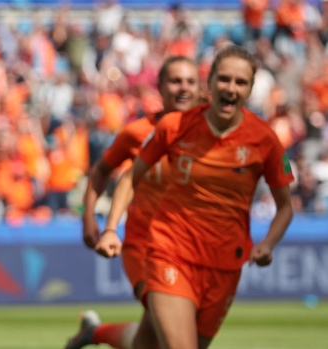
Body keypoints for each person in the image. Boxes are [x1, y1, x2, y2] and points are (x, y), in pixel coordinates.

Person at [131, 45, 293, 349]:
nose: (230, 88)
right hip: (172, 252)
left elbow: (285, 207)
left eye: (240, 82)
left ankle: (94, 333)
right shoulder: (177, 125)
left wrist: (267, 244)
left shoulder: (265, 139)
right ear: (210, 82)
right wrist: (113, 226)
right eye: (224, 79)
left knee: (146, 345)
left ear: (250, 90)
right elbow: (130, 177)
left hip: (224, 265)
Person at [68, 56, 200, 349]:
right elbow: (102, 171)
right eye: (175, 80)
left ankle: (94, 333)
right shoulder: (137, 132)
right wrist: (90, 218)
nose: (183, 87)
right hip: (145, 247)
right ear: (160, 86)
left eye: (190, 81)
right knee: (175, 335)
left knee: (150, 342)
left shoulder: (208, 134)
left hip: (190, 249)